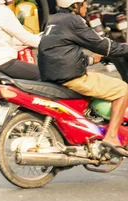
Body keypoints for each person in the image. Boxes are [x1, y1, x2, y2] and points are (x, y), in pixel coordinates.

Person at [39, 0, 128, 157]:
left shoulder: (54, 20)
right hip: (71, 77)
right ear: (76, 5)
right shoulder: (74, 20)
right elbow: (102, 45)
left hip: (54, 74)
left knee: (100, 80)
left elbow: (64, 52)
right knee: (122, 89)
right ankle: (112, 136)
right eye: (84, 4)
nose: (86, 7)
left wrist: (93, 60)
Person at [0, 0, 41, 80]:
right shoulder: (3, 12)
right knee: (43, 74)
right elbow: (26, 38)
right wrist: (47, 43)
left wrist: (21, 43)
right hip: (2, 62)